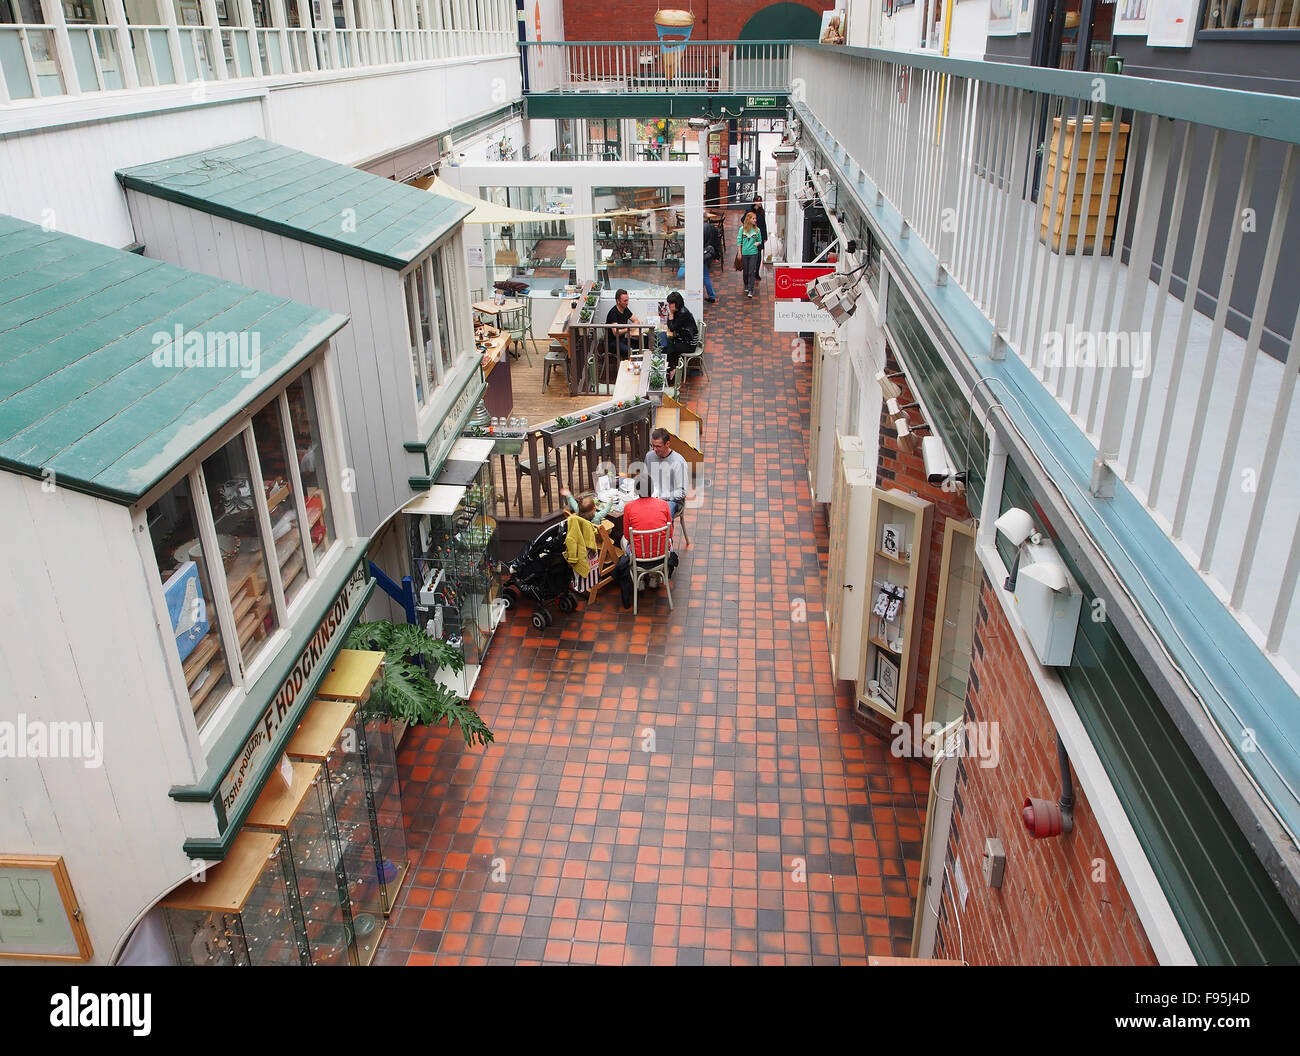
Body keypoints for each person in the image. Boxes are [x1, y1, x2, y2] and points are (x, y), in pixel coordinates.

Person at [645, 428, 689, 517]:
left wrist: (661, 496)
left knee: (662, 514)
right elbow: (644, 478)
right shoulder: (649, 456)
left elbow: (682, 492)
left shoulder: (679, 462)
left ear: (667, 444)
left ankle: (664, 531)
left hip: (671, 501)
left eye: (658, 446)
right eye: (652, 446)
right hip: (651, 497)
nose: (654, 449)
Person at [657, 291, 698, 385]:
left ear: (677, 303)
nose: (669, 305)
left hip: (689, 344)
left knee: (667, 348)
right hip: (683, 339)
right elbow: (671, 325)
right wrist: (671, 315)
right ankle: (672, 369)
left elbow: (671, 327)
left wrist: (670, 314)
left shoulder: (682, 313)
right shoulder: (679, 311)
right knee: (667, 344)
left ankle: (671, 370)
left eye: (671, 303)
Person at [605, 288, 642, 360]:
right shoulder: (613, 313)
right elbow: (615, 332)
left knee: (641, 344)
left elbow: (637, 321)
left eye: (627, 300)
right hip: (613, 343)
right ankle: (631, 368)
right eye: (625, 301)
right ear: (618, 301)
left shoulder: (625, 309)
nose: (627, 303)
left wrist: (630, 330)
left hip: (622, 339)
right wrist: (628, 329)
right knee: (630, 351)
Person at [739, 210, 762, 298]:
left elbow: (759, 240)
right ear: (749, 219)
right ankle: (746, 284)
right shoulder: (742, 229)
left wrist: (757, 243)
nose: (755, 220)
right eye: (753, 218)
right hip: (745, 253)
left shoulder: (757, 230)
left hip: (753, 253)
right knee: (746, 271)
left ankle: (750, 289)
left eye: (755, 218)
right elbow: (739, 241)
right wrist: (739, 252)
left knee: (751, 272)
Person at [702, 217, 720, 303]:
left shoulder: (699, 229)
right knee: (705, 275)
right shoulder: (714, 228)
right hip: (710, 254)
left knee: (705, 276)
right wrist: (717, 256)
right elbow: (717, 243)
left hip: (702, 255)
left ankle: (711, 296)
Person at [752, 196, 768, 277]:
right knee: (752, 254)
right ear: (754, 201)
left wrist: (765, 236)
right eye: (758, 201)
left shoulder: (762, 211)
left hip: (760, 235)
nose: (760, 203)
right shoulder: (750, 210)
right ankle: (752, 271)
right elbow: (743, 219)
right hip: (751, 236)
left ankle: (757, 272)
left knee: (759, 255)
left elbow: (764, 224)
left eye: (761, 201)